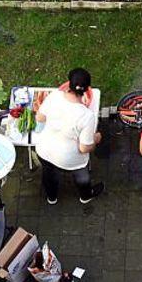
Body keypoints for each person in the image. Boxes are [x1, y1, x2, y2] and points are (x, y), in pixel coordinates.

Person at [35, 68, 105, 204]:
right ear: (86, 90)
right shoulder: (86, 116)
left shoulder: (54, 97)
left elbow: (40, 117)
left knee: (48, 174)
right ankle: (85, 197)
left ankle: (51, 198)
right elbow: (84, 148)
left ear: (68, 84)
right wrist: (96, 139)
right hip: (69, 158)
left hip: (44, 150)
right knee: (82, 177)